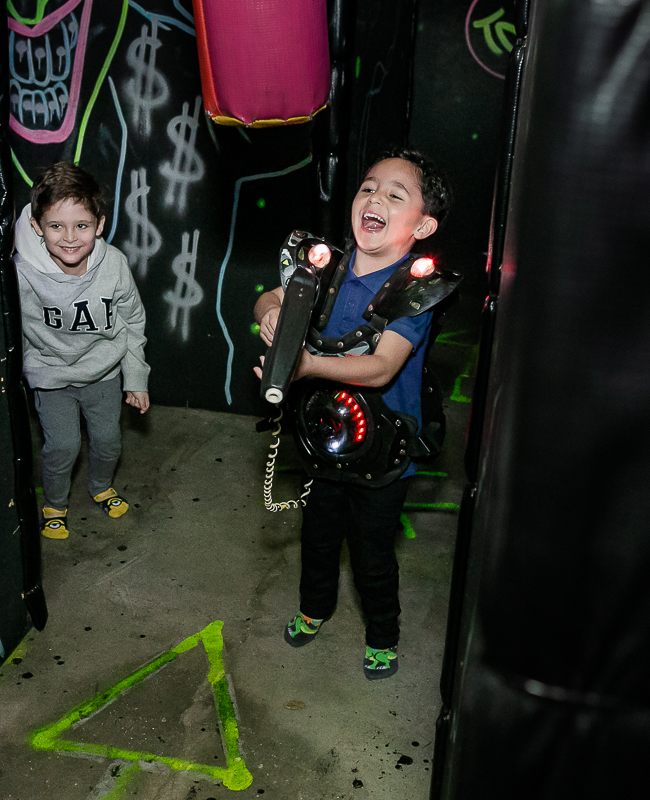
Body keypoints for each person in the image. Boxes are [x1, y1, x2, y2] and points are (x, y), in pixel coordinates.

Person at [253, 146, 452, 679]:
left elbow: (382, 368)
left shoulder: (416, 289)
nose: (375, 197)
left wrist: (306, 364)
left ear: (423, 224)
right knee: (317, 537)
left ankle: (383, 634)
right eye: (368, 187)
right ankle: (315, 608)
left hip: (384, 453)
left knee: (371, 555)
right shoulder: (325, 265)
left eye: (395, 194)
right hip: (324, 437)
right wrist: (274, 314)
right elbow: (267, 298)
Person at [15, 162, 150, 541]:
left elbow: (132, 323)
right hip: (50, 375)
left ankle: (101, 486)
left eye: (82, 226)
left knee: (108, 441)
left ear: (100, 225)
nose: (70, 237)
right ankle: (55, 506)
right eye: (56, 226)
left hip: (103, 374)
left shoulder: (115, 265)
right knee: (64, 445)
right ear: (37, 226)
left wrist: (136, 378)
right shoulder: (22, 273)